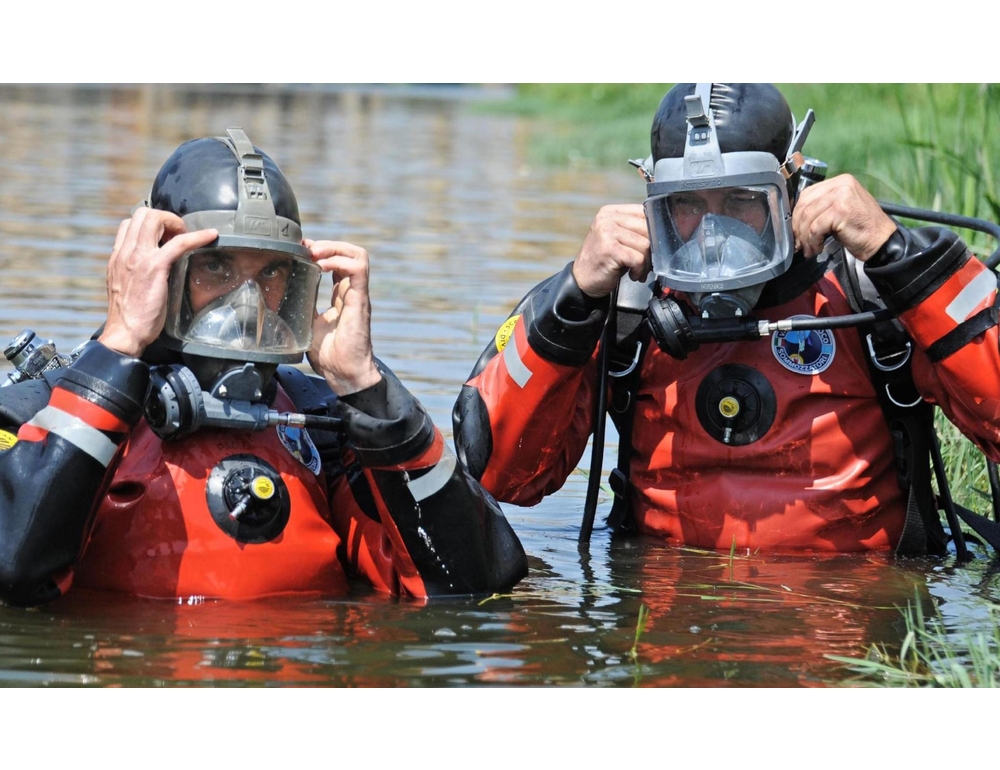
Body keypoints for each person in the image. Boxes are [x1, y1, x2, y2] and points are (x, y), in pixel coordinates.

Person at [454, 83, 1000, 555]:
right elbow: (503, 474)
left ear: (791, 187)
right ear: (654, 202)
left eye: (742, 201)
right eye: (687, 204)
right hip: (669, 633)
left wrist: (897, 255)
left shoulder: (867, 295)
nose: (714, 235)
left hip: (842, 632)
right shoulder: (629, 307)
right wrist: (575, 295)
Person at [0, 128, 527, 607]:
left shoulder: (323, 423)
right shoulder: (43, 414)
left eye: (272, 272)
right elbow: (14, 572)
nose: (247, 301)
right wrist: (116, 348)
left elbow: (477, 582)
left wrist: (364, 387)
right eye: (215, 266)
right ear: (157, 266)